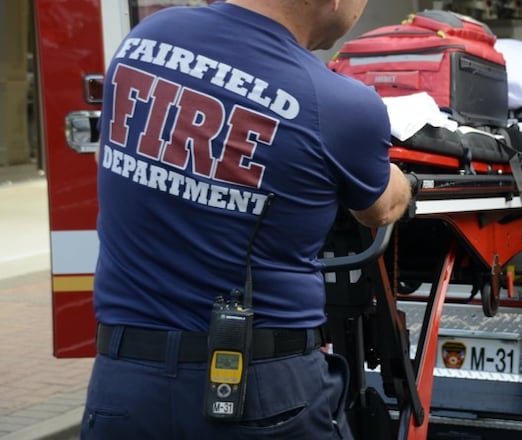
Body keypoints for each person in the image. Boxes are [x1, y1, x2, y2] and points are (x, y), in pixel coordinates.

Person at [82, 0, 413, 438]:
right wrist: (407, 182)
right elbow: (379, 208)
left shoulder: (146, 40)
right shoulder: (339, 103)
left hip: (123, 388)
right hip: (262, 392)